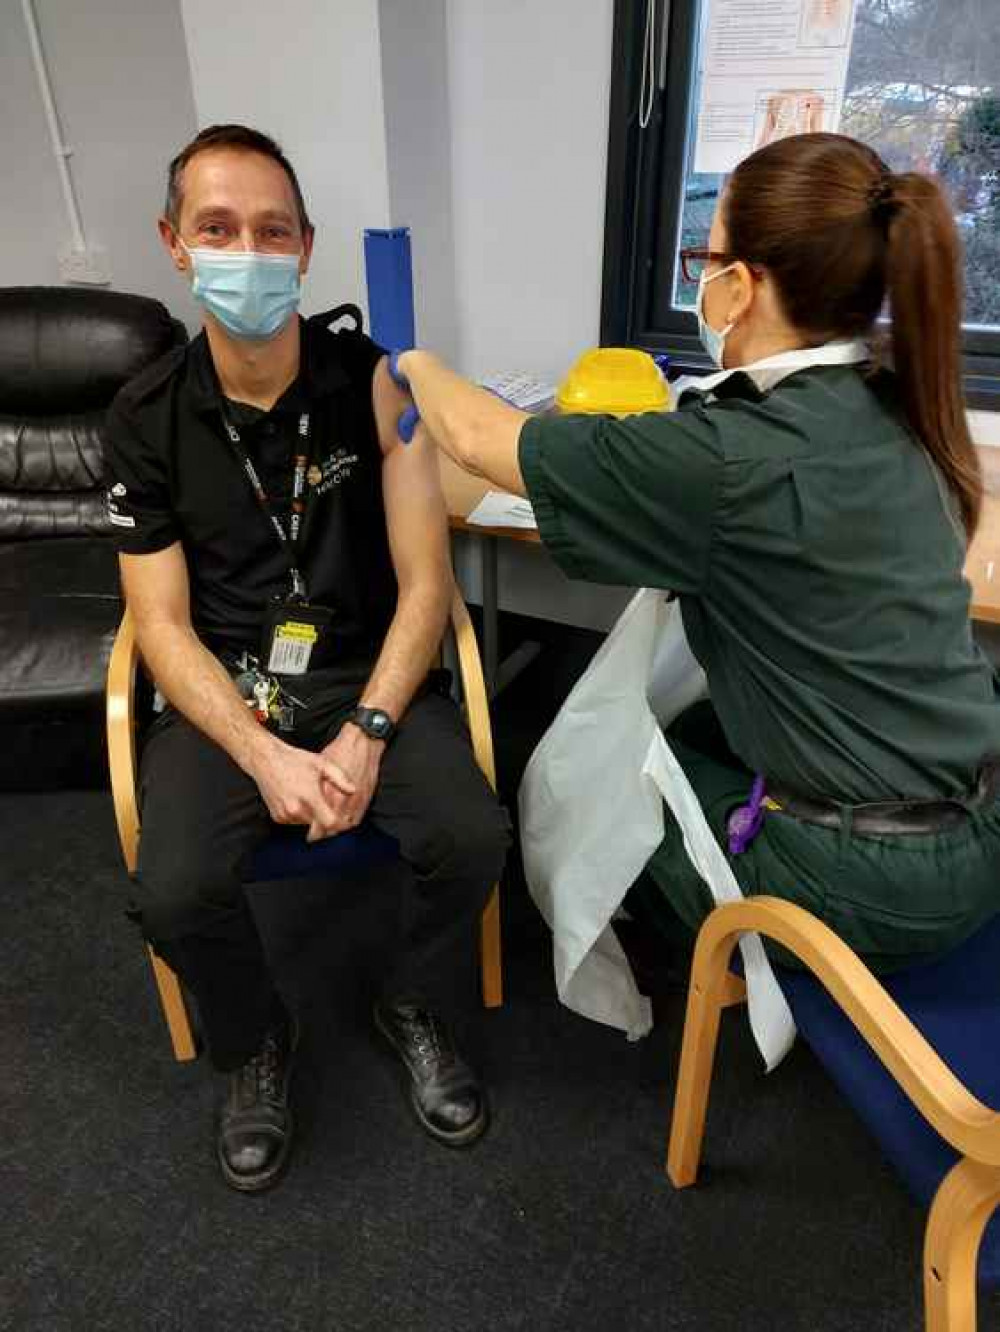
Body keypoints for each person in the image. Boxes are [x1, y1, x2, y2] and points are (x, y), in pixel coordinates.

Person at [394, 131, 1000, 978]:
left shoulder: (730, 458)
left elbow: (479, 437)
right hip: (978, 809)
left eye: (705, 261)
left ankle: (689, 948)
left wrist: (410, 359)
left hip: (880, 876)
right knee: (683, 722)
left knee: (593, 783)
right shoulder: (894, 407)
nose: (701, 284)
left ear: (742, 286)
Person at [103, 124, 509, 1193]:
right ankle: (257, 1041)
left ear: (306, 246)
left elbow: (427, 584)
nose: (249, 249)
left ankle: (410, 1002)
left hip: (365, 672)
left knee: (473, 837)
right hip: (226, 687)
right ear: (176, 244)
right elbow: (160, 626)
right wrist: (262, 755)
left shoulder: (372, 384)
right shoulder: (143, 421)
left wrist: (369, 730)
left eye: (272, 229)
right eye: (219, 227)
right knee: (173, 892)